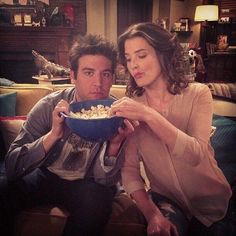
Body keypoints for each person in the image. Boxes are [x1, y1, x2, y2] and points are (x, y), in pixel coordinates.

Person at [0, 34, 136, 236]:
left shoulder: (118, 115)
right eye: (89, 73)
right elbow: (11, 166)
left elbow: (107, 183)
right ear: (73, 76)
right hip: (45, 176)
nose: (98, 83)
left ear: (112, 78)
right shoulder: (49, 106)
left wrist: (114, 146)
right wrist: (54, 134)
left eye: (106, 74)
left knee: (97, 202)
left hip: (87, 185)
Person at [110, 22, 232, 236]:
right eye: (128, 59)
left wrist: (148, 114)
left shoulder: (198, 94)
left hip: (213, 205)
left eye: (141, 55)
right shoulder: (132, 105)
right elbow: (129, 171)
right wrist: (152, 215)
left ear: (163, 54)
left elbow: (196, 155)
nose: (134, 65)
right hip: (166, 202)